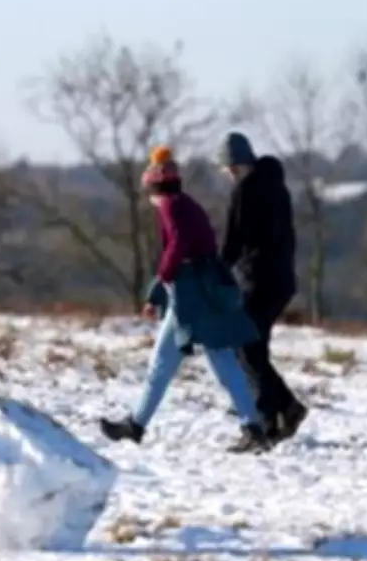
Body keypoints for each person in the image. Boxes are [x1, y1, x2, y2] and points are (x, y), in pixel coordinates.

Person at [99, 145, 272, 454]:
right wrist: (161, 287)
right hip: (201, 290)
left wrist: (163, 278)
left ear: (154, 184)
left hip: (190, 297)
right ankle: (251, 426)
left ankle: (138, 425)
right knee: (209, 361)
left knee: (174, 363)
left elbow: (177, 245)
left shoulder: (169, 206)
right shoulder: (186, 203)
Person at [218, 131, 308, 442]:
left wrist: (216, 274)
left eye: (229, 170)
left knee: (246, 349)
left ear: (234, 167)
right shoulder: (277, 186)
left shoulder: (244, 190)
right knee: (254, 348)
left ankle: (275, 414)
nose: (230, 176)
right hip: (281, 280)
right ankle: (278, 412)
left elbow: (233, 239)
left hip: (259, 280)